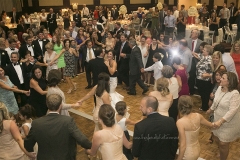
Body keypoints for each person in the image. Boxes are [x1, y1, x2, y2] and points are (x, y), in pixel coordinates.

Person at [24, 94, 91, 159]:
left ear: (47, 105)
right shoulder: (68, 121)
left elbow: (27, 144)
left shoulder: (36, 123)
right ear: (60, 106)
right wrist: (92, 147)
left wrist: (31, 152)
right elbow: (82, 139)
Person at [206, 72, 240, 160]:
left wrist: (221, 121)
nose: (220, 79)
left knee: (223, 143)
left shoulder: (235, 94)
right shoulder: (219, 88)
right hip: (217, 119)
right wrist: (210, 110)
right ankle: (222, 152)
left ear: (229, 82)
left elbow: (232, 110)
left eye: (223, 78)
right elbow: (216, 101)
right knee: (216, 138)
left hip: (229, 124)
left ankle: (223, 157)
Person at [176, 95, 214, 160]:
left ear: (180, 106)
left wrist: (179, 158)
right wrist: (221, 121)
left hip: (187, 154)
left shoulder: (180, 122)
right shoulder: (198, 116)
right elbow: (211, 125)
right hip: (198, 149)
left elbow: (183, 145)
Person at [196, 45, 213, 111]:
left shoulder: (210, 60)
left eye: (204, 50)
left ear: (208, 52)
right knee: (201, 93)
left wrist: (208, 75)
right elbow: (197, 55)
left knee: (205, 94)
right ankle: (203, 106)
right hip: (199, 78)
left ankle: (205, 107)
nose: (202, 50)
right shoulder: (203, 57)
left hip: (205, 80)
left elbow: (212, 71)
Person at [186, 29, 203, 95]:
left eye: (193, 32)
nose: (191, 33)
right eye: (191, 32)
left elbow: (202, 53)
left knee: (192, 76)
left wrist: (195, 53)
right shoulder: (187, 41)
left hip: (195, 60)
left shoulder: (201, 42)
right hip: (188, 59)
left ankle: (191, 90)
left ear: (197, 34)